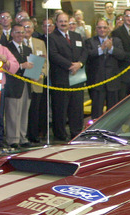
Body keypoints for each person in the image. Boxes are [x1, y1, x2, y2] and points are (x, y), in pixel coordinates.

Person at [48, 12, 88, 140]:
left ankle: (76, 132)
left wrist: (80, 64)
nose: (64, 24)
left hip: (77, 78)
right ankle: (60, 134)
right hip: (61, 78)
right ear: (56, 23)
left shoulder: (76, 36)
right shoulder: (52, 37)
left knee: (76, 107)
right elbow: (53, 55)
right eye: (61, 21)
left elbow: (84, 52)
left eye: (66, 21)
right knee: (60, 108)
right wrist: (70, 65)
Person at [86, 19, 126, 119]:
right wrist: (102, 48)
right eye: (99, 28)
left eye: (104, 27)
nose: (102, 30)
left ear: (108, 29)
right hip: (97, 81)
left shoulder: (116, 41)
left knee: (113, 111)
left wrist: (111, 48)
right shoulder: (90, 42)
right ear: (96, 29)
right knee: (97, 110)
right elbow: (88, 56)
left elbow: (122, 55)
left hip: (112, 82)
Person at [3, 23, 34, 148]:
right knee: (12, 113)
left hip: (26, 84)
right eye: (17, 32)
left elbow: (31, 67)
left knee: (24, 112)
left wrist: (35, 71)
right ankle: (13, 139)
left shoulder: (27, 49)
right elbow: (7, 67)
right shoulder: (7, 48)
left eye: (22, 32)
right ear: (12, 34)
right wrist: (22, 66)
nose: (20, 35)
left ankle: (22, 136)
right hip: (13, 85)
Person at [21, 18, 48, 144]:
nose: (27, 30)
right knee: (23, 109)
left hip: (37, 80)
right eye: (24, 27)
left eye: (29, 27)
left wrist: (41, 73)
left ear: (33, 29)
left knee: (35, 109)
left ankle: (34, 134)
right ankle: (22, 134)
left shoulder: (40, 42)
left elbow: (45, 62)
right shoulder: (17, 43)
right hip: (23, 81)